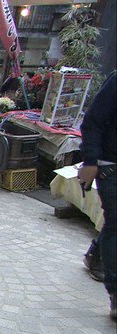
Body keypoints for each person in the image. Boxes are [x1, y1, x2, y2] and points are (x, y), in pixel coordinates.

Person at [78, 71, 116, 321]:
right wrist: (90, 160)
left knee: (113, 224)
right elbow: (92, 122)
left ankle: (96, 253)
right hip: (111, 165)